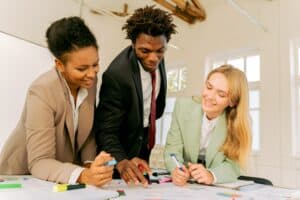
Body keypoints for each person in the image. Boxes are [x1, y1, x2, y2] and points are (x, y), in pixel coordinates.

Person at [0, 16, 114, 186]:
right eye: (81, 68)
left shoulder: (89, 82)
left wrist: (92, 165)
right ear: (60, 65)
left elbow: (87, 133)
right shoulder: (41, 91)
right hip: (23, 179)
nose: (92, 74)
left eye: (95, 64)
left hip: (61, 176)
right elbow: (39, 161)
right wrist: (84, 175)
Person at [93, 6, 177, 185]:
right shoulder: (116, 75)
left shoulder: (156, 53)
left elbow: (155, 107)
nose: (153, 58)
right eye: (145, 51)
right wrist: (121, 162)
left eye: (160, 51)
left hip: (143, 148)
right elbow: (106, 131)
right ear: (133, 44)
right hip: (119, 155)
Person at [164, 65, 252, 186]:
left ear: (232, 101)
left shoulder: (239, 122)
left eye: (221, 94)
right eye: (209, 87)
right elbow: (172, 150)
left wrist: (211, 175)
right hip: (186, 182)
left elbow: (234, 166)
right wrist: (176, 169)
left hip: (215, 186)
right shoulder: (182, 107)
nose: (209, 96)